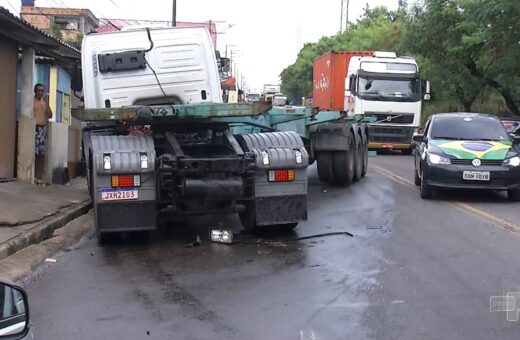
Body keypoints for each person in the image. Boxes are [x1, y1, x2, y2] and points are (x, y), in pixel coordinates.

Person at [33, 83, 53, 182]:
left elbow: (50, 115)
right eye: (39, 90)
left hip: (42, 129)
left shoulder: (44, 102)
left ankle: (39, 175)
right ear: (35, 91)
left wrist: (47, 102)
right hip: (34, 128)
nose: (41, 92)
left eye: (42, 90)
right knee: (35, 153)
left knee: (41, 153)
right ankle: (34, 175)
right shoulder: (32, 101)